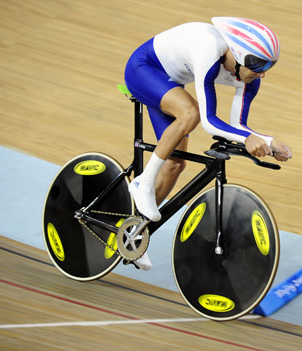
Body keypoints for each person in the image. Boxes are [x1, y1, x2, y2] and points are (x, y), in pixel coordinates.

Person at [124, 17, 292, 270]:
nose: (263, 73)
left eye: (269, 65)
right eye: (258, 64)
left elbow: (238, 126)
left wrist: (268, 140)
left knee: (175, 165)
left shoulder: (251, 78)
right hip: (143, 69)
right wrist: (248, 139)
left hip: (169, 82)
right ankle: (142, 181)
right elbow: (208, 121)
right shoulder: (208, 49)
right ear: (237, 54)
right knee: (190, 112)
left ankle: (133, 235)